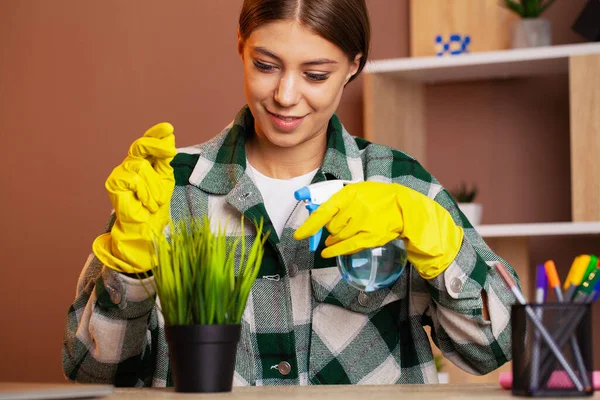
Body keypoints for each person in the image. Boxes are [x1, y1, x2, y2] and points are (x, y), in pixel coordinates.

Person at [63, 0, 519, 387]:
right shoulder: (171, 187)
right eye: (266, 65)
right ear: (240, 44)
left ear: (353, 67)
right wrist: (127, 267)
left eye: (316, 75)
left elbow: (496, 350)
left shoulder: (398, 183)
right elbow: (89, 372)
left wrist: (442, 243)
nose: (285, 94)